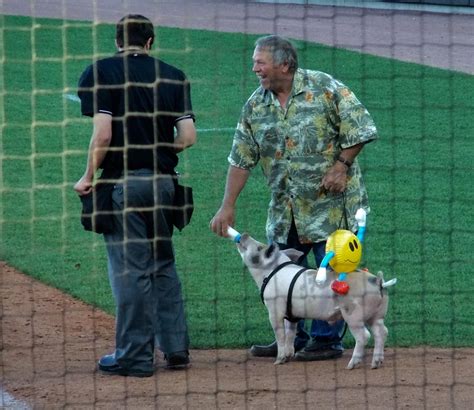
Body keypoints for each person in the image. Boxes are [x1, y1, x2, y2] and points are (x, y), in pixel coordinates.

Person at [209, 35, 377, 361]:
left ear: (284, 64)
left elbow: (363, 128)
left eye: (261, 62)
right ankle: (290, 338)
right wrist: (227, 205)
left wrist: (341, 166)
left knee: (330, 270)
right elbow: (241, 158)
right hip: (285, 209)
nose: (254, 67)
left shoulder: (324, 87)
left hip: (331, 205)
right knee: (282, 272)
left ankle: (327, 340)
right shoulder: (256, 106)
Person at [74, 15, 196, 377]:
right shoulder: (173, 74)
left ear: (117, 41)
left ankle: (135, 357)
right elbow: (188, 137)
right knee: (162, 265)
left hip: (122, 185)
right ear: (150, 41)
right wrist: (158, 146)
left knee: (131, 273)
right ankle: (176, 349)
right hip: (164, 186)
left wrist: (86, 176)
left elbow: (104, 135)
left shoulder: (101, 72)